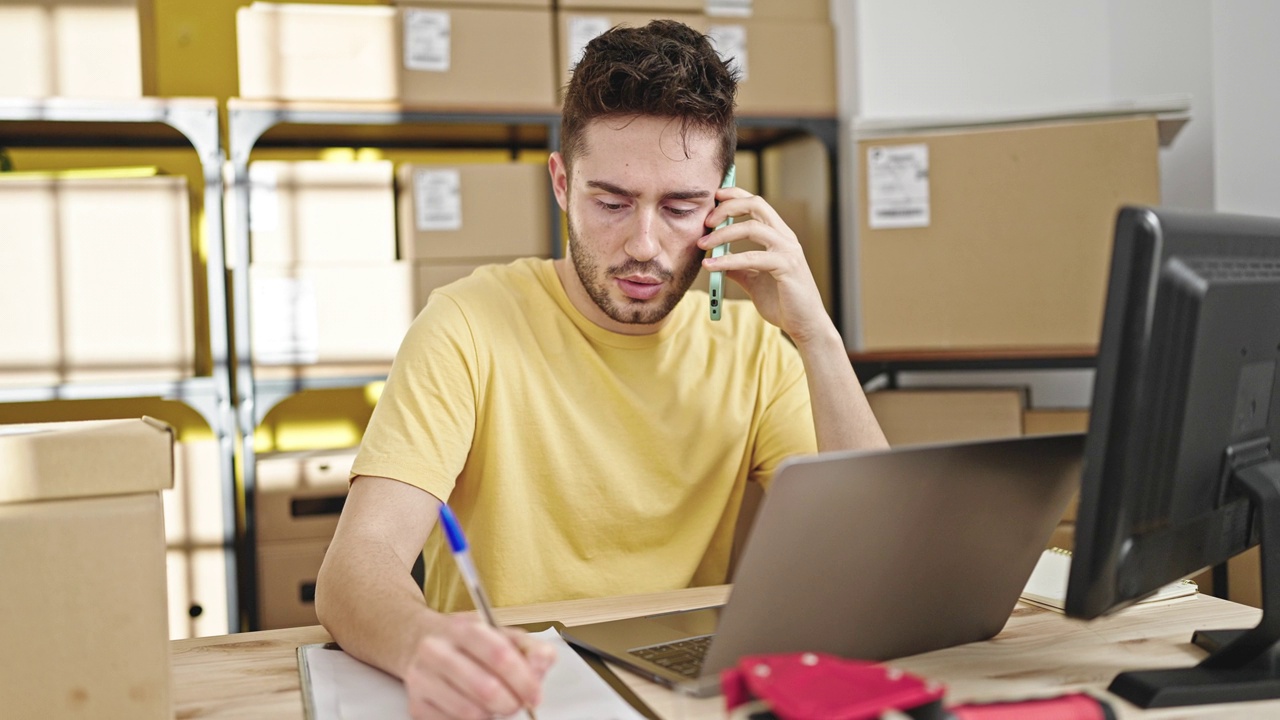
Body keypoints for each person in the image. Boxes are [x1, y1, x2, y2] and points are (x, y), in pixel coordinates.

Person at [315, 19, 887, 720]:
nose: (643, 245)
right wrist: (419, 642)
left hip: (675, 698)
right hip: (512, 696)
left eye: (681, 206)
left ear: (726, 202)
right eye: (611, 203)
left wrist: (816, 333)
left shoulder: (758, 347)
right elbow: (353, 568)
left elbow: (876, 564)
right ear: (562, 183)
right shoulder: (466, 324)